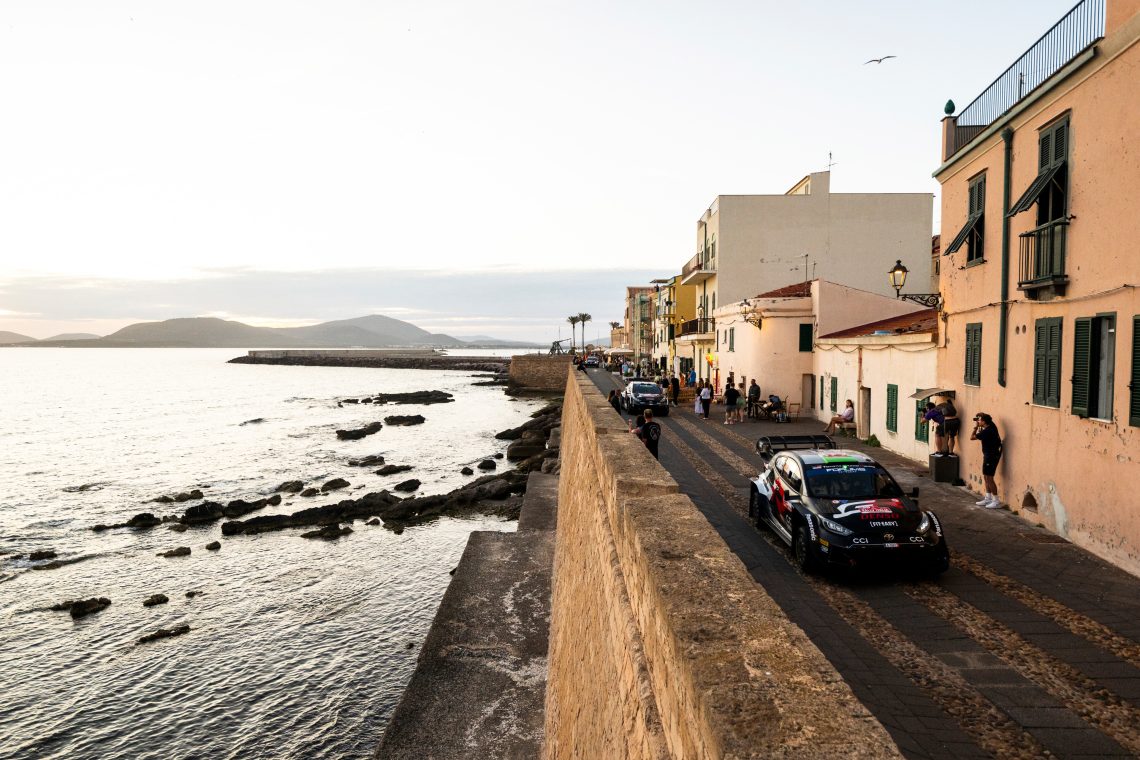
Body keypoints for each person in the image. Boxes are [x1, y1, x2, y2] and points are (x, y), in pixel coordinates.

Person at [970, 413, 1003, 508]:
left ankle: (996, 501)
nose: (978, 421)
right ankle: (988, 498)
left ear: (984, 422)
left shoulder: (987, 431)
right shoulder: (992, 425)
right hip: (989, 455)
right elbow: (987, 418)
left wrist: (975, 427)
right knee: (985, 477)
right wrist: (981, 415)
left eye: (979, 420)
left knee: (989, 478)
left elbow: (972, 437)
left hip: (991, 456)